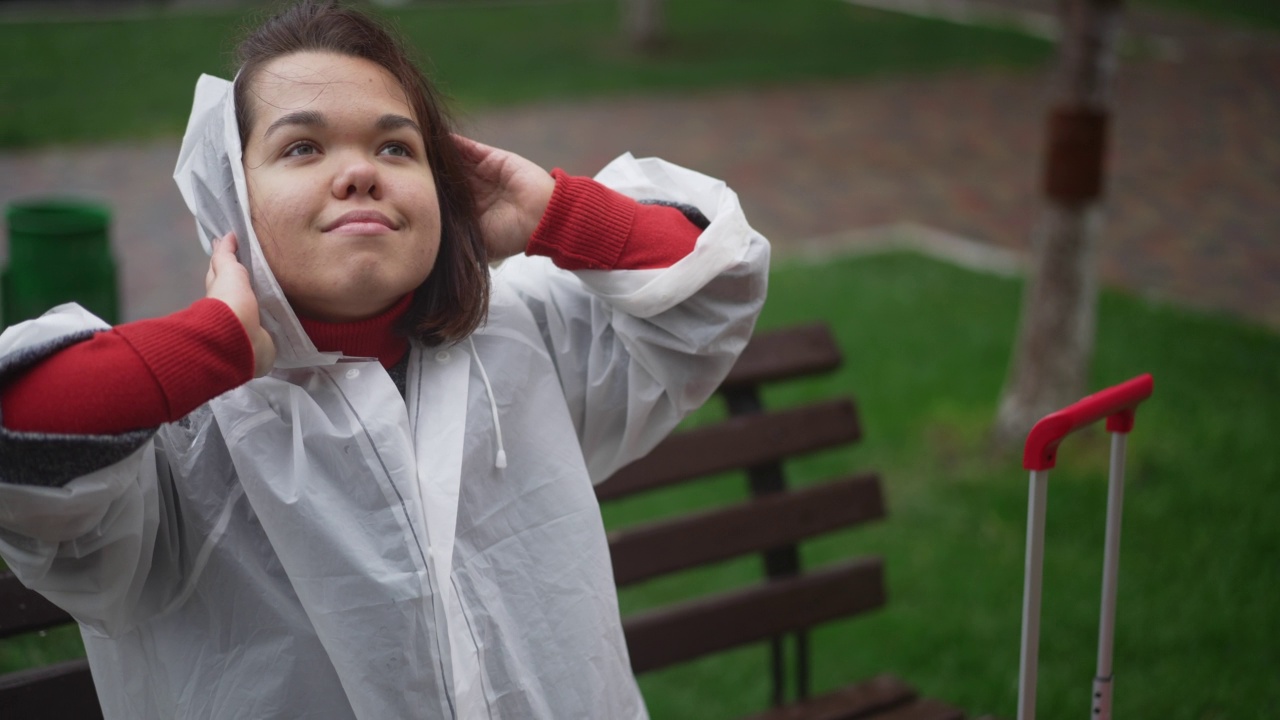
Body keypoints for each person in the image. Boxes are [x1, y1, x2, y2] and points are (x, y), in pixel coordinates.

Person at [0, 1, 768, 718]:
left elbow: (713, 282)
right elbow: (17, 436)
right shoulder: (179, 438)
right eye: (302, 147)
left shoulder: (524, 336)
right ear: (231, 197)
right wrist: (212, 347)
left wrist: (557, 214)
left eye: (396, 146)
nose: (360, 170)